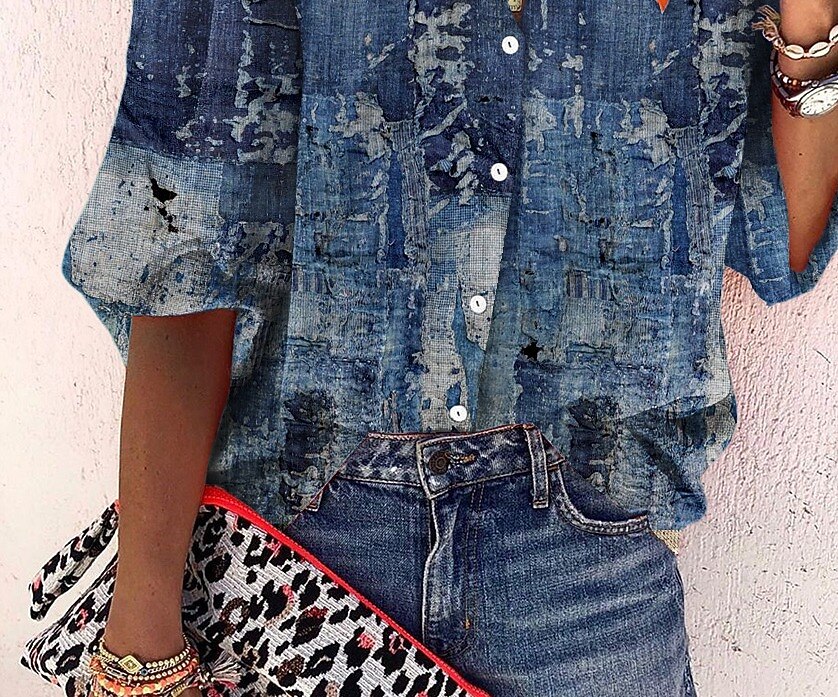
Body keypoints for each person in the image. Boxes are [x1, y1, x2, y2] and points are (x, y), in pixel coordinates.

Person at [60, 0, 837, 695]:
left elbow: (781, 244)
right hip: (306, 557)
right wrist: (139, 647)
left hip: (588, 583)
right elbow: (180, 254)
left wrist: (812, 21)